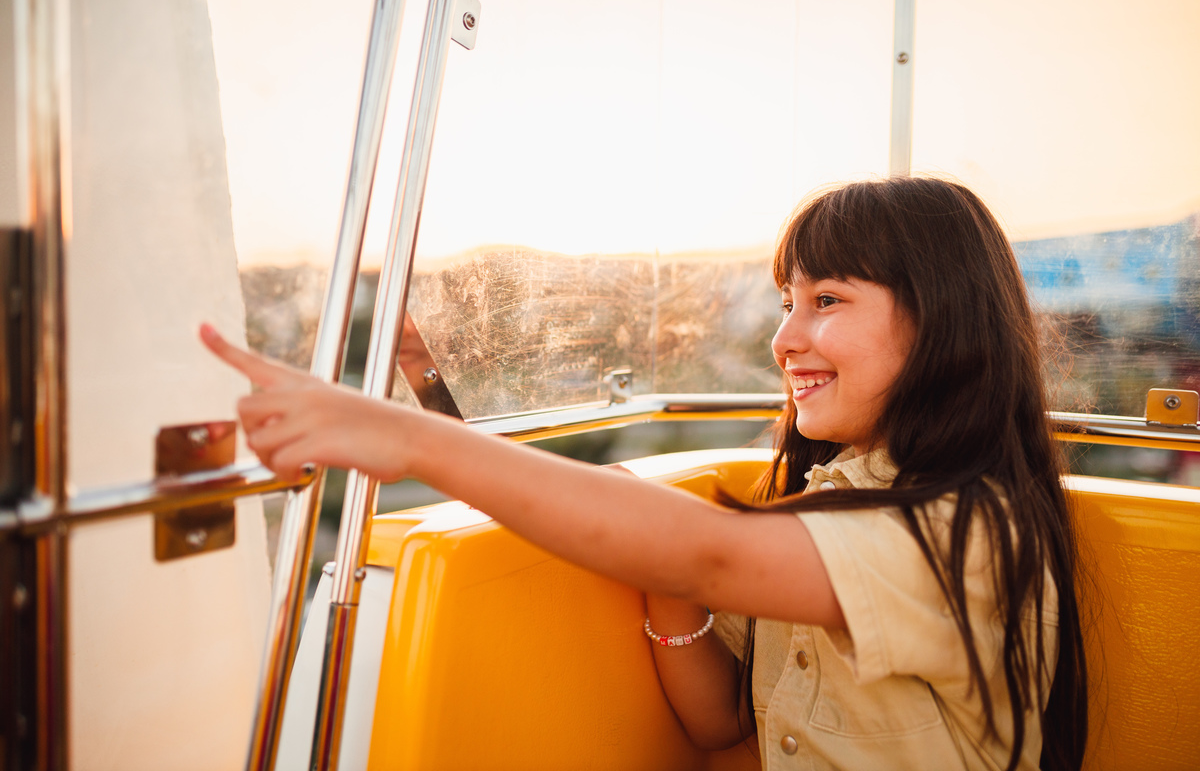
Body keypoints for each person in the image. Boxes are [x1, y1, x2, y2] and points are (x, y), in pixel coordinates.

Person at [201, 177, 1087, 771]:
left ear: (943, 323)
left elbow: (711, 557)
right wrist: (435, 394)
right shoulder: (828, 502)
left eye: (827, 301)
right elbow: (716, 723)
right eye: (787, 303)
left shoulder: (970, 531)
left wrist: (410, 442)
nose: (784, 340)